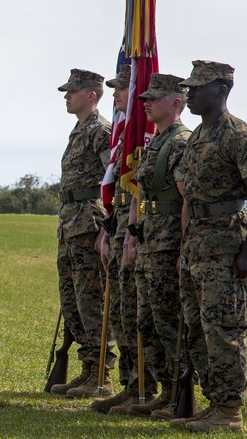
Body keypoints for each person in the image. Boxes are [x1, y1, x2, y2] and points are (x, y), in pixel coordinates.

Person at [171, 60, 247, 433]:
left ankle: (230, 412)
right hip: (197, 245)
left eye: (199, 87)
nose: (191, 92)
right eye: (190, 87)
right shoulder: (198, 136)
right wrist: (185, 248)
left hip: (226, 246)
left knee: (224, 331)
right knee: (197, 330)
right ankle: (214, 404)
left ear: (222, 90)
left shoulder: (239, 135)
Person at [121, 74, 192, 419]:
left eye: (155, 98)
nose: (146, 102)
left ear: (176, 102)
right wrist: (132, 238)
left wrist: (184, 248)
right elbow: (140, 192)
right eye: (146, 97)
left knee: (169, 321)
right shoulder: (156, 141)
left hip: (168, 244)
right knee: (147, 320)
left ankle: (181, 394)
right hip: (150, 240)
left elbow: (186, 200)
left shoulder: (181, 142)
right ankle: (165, 391)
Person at [91, 65, 158, 413]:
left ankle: (147, 387)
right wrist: (109, 227)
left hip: (149, 239)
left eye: (122, 88)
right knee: (122, 310)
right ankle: (132, 384)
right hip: (119, 229)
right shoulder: (124, 137)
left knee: (140, 313)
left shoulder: (152, 139)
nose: (119, 94)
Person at [50, 68, 116, 398]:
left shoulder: (101, 131)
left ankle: (100, 374)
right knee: (72, 300)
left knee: (91, 299)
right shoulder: (79, 131)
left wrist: (107, 227)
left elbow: (114, 181)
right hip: (70, 224)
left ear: (91, 94)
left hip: (90, 222)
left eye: (72, 91)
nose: (66, 95)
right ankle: (88, 368)